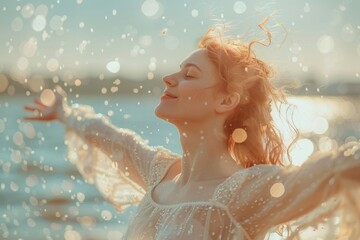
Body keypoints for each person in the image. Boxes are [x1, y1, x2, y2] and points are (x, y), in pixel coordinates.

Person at [24, 27, 360, 240]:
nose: (168, 78)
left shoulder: (241, 193)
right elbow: (110, 138)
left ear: (226, 100)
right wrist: (64, 114)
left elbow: (333, 170)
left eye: (190, 74)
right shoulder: (159, 173)